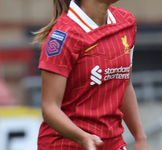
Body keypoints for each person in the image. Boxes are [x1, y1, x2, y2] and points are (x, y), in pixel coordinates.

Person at [33, 0, 148, 150]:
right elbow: (50, 107)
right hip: (65, 145)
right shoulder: (63, 35)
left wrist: (140, 137)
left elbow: (124, 84)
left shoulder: (127, 21)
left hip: (113, 144)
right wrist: (83, 137)